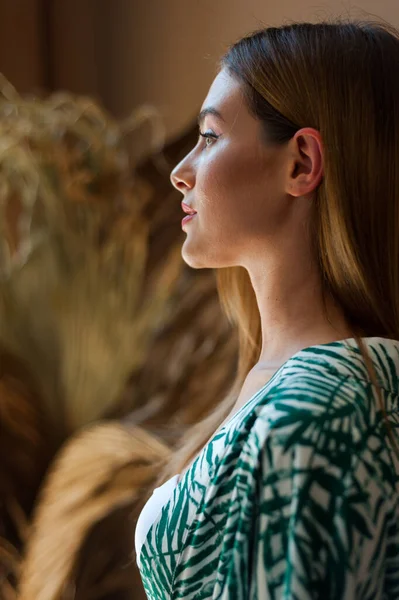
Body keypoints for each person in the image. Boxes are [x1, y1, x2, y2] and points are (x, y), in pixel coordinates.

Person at [135, 19, 399, 599]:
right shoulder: (296, 383)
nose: (180, 174)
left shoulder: (321, 404)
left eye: (209, 136)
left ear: (301, 162)